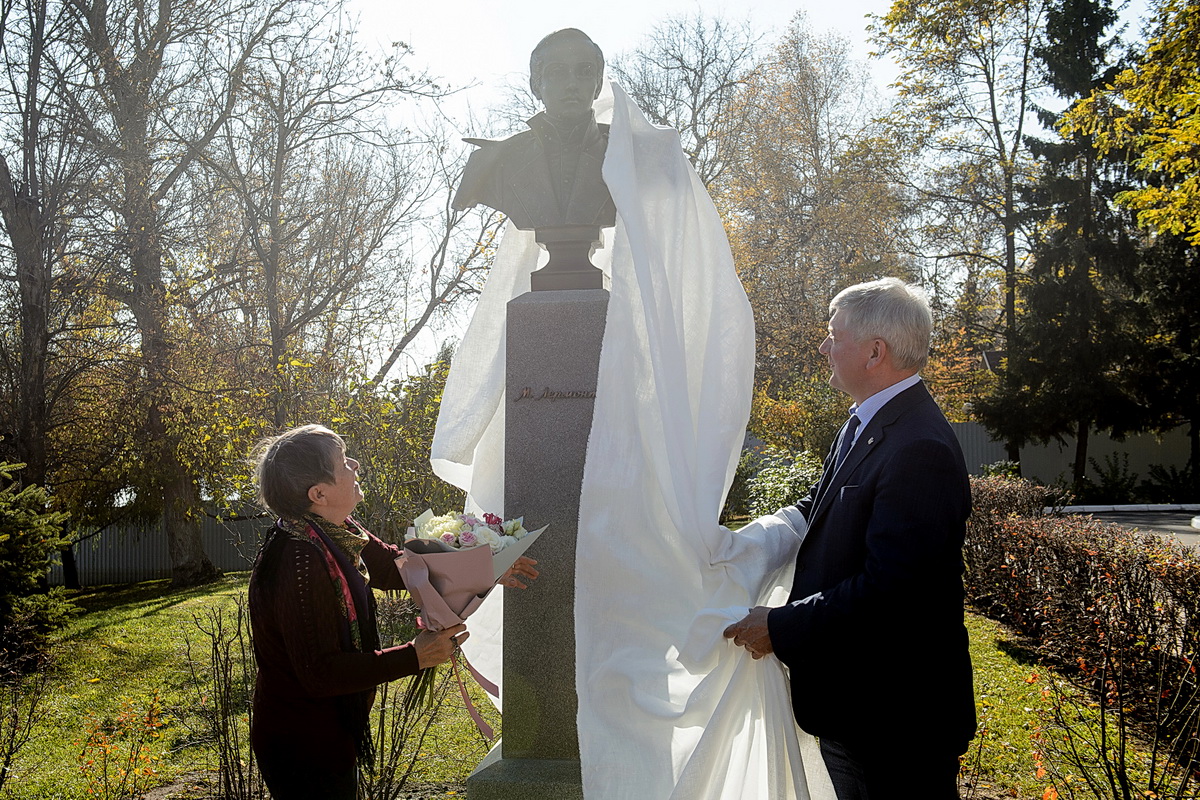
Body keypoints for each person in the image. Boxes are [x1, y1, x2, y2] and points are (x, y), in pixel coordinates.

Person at [724, 278, 976, 799]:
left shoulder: (918, 448)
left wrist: (781, 624)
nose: (823, 348)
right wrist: (744, 545)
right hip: (861, 709)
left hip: (895, 721)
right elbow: (822, 507)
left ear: (875, 352)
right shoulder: (868, 421)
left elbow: (892, 592)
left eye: (833, 336)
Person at [247, 424, 537, 799]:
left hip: (331, 731)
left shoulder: (335, 532)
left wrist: (489, 567)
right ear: (318, 493)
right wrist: (415, 656)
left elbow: (393, 567)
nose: (355, 465)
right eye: (342, 462)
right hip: (302, 744)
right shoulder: (297, 559)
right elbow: (320, 673)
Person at [451, 28, 617, 231]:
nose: (572, 84)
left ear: (599, 84)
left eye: (585, 72)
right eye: (557, 72)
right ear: (535, 86)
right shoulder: (493, 164)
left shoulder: (630, 158)